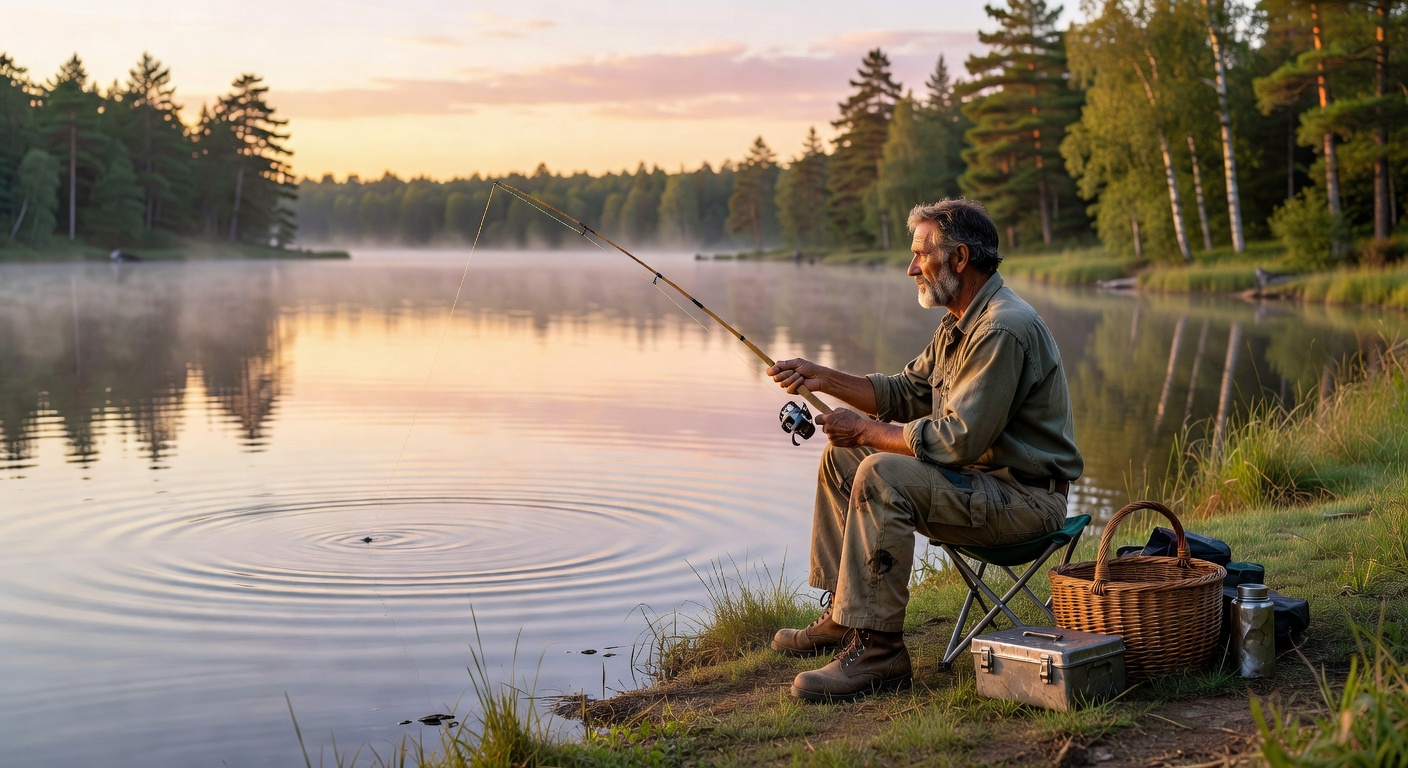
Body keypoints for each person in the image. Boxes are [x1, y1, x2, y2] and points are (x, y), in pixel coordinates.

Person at [766, 199, 1083, 702]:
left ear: (959, 258)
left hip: (1023, 502)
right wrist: (821, 376)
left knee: (879, 473)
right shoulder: (959, 322)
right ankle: (843, 614)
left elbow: (956, 440)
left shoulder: (1002, 327)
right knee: (840, 458)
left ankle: (879, 652)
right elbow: (902, 393)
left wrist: (865, 431)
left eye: (921, 254)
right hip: (979, 487)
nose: (911, 267)